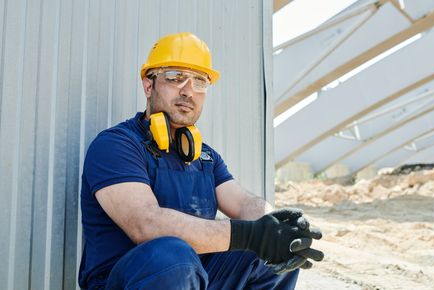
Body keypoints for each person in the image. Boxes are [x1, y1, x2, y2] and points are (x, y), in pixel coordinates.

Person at [78, 32, 323, 290]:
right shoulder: (116, 145)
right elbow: (146, 224)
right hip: (128, 281)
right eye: (175, 77)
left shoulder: (204, 156)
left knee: (270, 255)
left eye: (199, 81)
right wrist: (251, 235)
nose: (188, 91)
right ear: (148, 85)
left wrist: (275, 224)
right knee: (172, 255)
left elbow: (243, 204)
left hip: (193, 278)